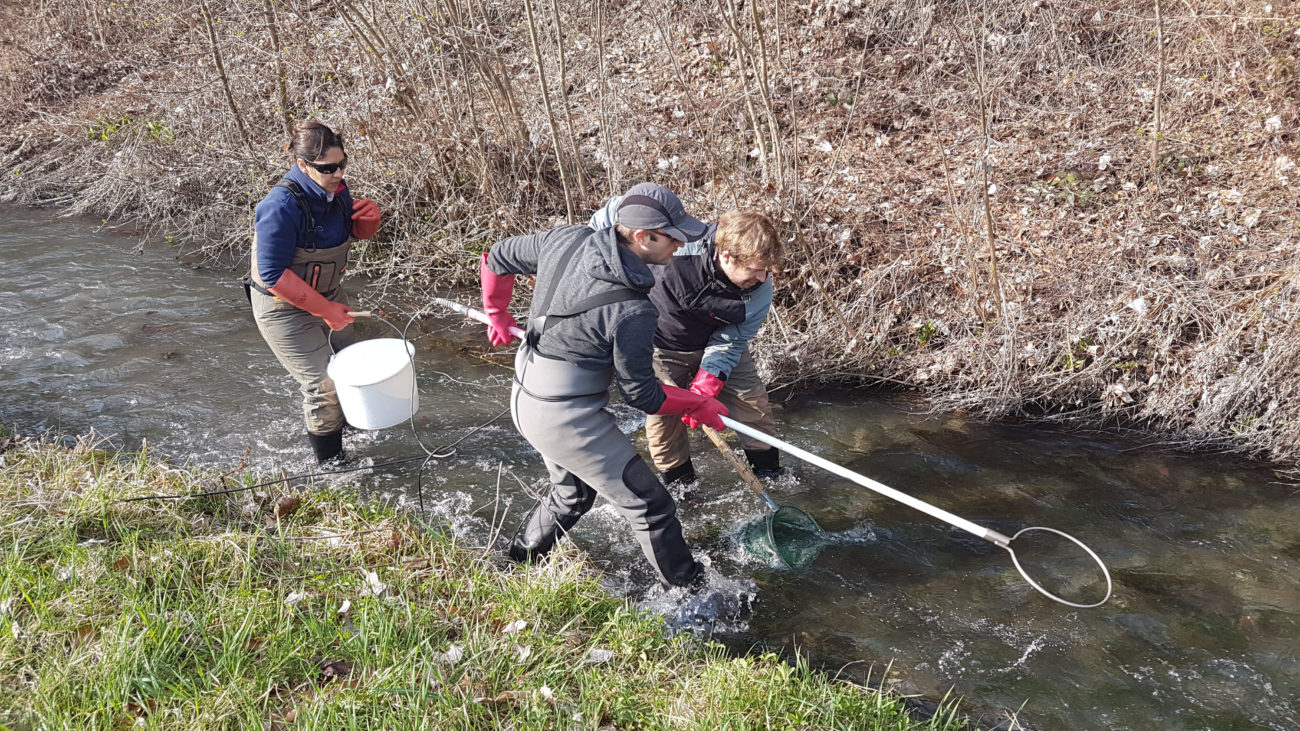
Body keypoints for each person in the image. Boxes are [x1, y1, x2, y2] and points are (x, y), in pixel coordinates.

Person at [480, 183, 730, 588]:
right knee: (651, 506)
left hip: (526, 393)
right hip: (564, 416)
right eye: (675, 237)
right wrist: (696, 403)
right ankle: (696, 603)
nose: (683, 245)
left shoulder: (567, 237)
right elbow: (642, 395)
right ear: (642, 236)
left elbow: (497, 258)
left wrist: (496, 311)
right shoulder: (633, 310)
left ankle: (513, 568)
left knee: (573, 496)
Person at [589, 200, 784, 487]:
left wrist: (709, 380)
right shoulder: (677, 245)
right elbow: (617, 215)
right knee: (663, 417)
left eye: (766, 270)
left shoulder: (759, 289)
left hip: (721, 344)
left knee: (753, 406)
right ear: (727, 256)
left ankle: (770, 478)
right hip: (662, 344)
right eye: (755, 270)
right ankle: (683, 490)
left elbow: (733, 338)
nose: (763, 278)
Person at [247, 120, 382, 464]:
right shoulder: (279, 207)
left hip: (329, 294)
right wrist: (325, 310)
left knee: (352, 370)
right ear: (303, 165)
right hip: (282, 308)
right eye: (328, 168)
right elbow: (273, 273)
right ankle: (333, 469)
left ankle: (353, 438)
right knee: (324, 385)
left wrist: (368, 224)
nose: (338, 174)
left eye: (342, 164)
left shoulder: (337, 190)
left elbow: (352, 231)